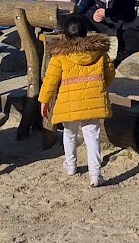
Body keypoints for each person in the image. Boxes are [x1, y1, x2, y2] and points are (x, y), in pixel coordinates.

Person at [40, 15, 115, 188]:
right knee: (92, 136)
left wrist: (44, 100)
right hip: (92, 100)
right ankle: (95, 175)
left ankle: (71, 165)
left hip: (69, 101)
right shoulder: (99, 52)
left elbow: (50, 79)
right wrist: (98, 88)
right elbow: (110, 74)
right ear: (86, 32)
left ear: (64, 35)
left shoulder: (59, 55)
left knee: (69, 133)